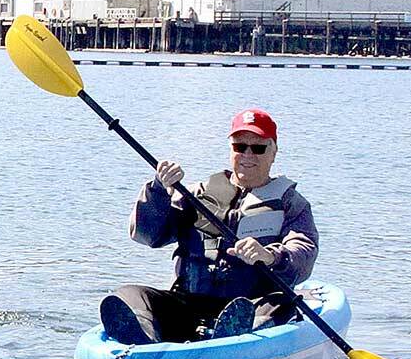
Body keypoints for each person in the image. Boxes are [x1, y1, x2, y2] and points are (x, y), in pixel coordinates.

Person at [99, 108, 318, 345]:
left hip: (252, 304)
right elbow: (148, 235)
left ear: (274, 152)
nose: (248, 155)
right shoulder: (195, 195)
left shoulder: (291, 204)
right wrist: (159, 189)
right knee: (130, 294)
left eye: (258, 148)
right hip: (189, 302)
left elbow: (303, 253)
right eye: (239, 146)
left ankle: (236, 337)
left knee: (283, 303)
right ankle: (144, 344)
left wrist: (271, 256)